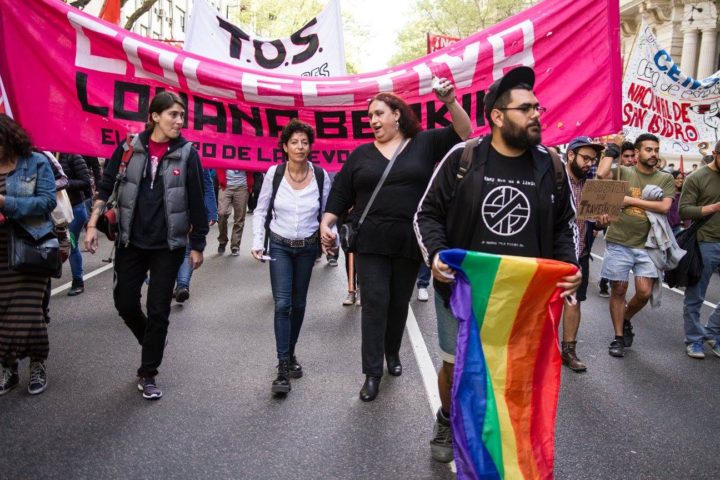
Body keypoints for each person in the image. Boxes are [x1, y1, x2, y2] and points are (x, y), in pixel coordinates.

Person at [414, 66, 580, 463]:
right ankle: (447, 416)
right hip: (463, 290)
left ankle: (506, 442)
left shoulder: (550, 165)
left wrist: (571, 268)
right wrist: (437, 257)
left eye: (537, 107)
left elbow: (565, 225)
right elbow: (426, 214)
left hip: (522, 296)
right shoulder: (464, 157)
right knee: (458, 368)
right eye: (525, 109)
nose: (536, 114)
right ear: (498, 116)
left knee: (513, 373)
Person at [320, 79, 472, 402]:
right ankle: (372, 373)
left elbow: (463, 132)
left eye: (379, 113)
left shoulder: (424, 143)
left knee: (397, 303)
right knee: (374, 303)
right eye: (370, 116)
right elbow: (341, 191)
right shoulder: (361, 154)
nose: (373, 120)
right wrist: (327, 221)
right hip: (370, 242)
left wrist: (450, 102)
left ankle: (392, 351)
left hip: (408, 242)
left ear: (398, 116)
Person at [84, 91, 208, 400]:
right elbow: (105, 185)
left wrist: (198, 245)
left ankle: (148, 372)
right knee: (125, 302)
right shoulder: (129, 147)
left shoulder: (188, 153)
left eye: (182, 116)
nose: (179, 121)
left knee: (158, 311)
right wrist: (91, 224)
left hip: (168, 245)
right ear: (154, 116)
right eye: (173, 115)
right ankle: (152, 340)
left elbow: (197, 200)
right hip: (131, 241)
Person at [252, 119, 331, 395]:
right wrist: (256, 243)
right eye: (294, 142)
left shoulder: (321, 176)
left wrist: (329, 239)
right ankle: (282, 367)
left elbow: (327, 215)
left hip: (307, 249)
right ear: (285, 146)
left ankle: (291, 351)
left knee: (298, 304)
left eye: (305, 142)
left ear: (310, 147)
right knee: (282, 303)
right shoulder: (274, 174)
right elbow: (261, 210)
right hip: (280, 247)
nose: (300, 147)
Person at [596, 133, 674, 358]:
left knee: (643, 292)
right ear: (637, 153)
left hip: (648, 245)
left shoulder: (664, 178)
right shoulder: (625, 172)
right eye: (649, 150)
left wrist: (629, 200)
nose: (654, 154)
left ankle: (626, 318)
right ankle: (618, 337)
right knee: (619, 288)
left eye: (656, 150)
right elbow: (601, 174)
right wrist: (613, 147)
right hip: (620, 240)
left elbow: (664, 208)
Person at [0, 114, 57, 396]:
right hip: (0, 255)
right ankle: (9, 368)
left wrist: (6, 203)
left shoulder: (36, 162)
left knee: (23, 315)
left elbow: (47, 201)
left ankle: (36, 364)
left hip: (28, 249)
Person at [560, 136, 608, 372]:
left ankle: (568, 350)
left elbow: (594, 224)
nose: (590, 163)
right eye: (586, 158)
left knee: (574, 300)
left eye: (593, 159)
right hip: (553, 254)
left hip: (580, 254)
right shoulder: (555, 180)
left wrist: (601, 222)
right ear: (571, 155)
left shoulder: (593, 187)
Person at [679, 140, 720, 359]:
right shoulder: (697, 177)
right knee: (696, 296)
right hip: (705, 242)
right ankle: (694, 340)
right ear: (715, 154)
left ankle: (713, 333)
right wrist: (713, 207)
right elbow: (683, 210)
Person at [173, 168, 218, 303]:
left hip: (189, 211)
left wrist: (212, 212)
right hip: (171, 212)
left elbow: (207, 185)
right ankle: (177, 285)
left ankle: (181, 286)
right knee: (175, 250)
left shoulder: (197, 158)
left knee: (186, 249)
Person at [58, 153, 92, 296]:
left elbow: (86, 181)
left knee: (71, 243)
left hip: (75, 209)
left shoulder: (71, 155)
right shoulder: (44, 156)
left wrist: (64, 182)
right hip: (54, 211)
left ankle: (78, 281)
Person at [216, 168, 251, 256]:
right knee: (222, 214)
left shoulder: (248, 153)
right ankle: (222, 240)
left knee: (239, 218)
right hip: (226, 186)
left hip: (243, 186)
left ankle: (235, 245)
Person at [668, 170, 686, 237]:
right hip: (667, 227)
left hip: (678, 228)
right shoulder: (666, 194)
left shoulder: (684, 194)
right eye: (677, 178)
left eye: (682, 178)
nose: (680, 180)